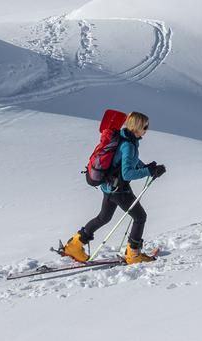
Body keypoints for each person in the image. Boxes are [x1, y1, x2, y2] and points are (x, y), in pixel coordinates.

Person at [61, 112, 166, 264]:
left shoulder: (125, 139)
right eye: (145, 126)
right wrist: (148, 171)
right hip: (119, 190)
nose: (147, 129)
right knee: (140, 217)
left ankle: (74, 246)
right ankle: (134, 255)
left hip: (109, 187)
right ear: (137, 127)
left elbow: (129, 161)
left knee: (103, 218)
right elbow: (127, 173)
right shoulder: (128, 145)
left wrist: (147, 167)